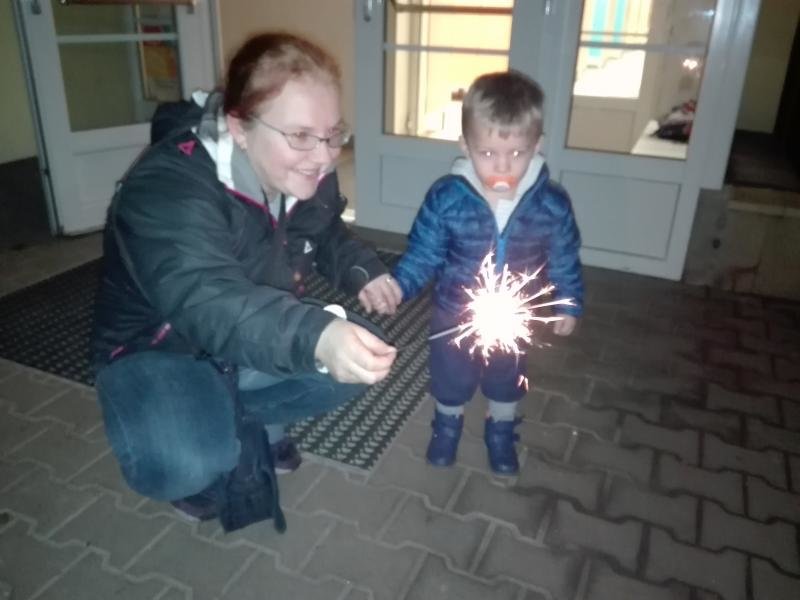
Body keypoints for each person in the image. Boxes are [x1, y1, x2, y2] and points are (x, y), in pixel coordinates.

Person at [91, 32, 402, 521]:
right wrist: (316, 337)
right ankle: (201, 430)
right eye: (300, 135)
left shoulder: (307, 171)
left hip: (248, 332)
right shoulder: (167, 188)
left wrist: (361, 269)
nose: (324, 156)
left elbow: (322, 232)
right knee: (187, 463)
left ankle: (234, 415)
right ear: (239, 127)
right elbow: (207, 299)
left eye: (333, 134)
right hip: (162, 348)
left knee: (361, 357)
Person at [392, 70, 584, 475]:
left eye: (516, 153)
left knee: (507, 374)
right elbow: (424, 252)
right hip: (454, 311)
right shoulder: (447, 197)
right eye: (487, 153)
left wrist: (568, 303)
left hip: (516, 315)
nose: (502, 165)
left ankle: (501, 429)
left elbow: (564, 256)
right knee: (450, 374)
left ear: (537, 145)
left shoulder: (551, 204)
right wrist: (398, 285)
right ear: (465, 145)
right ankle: (447, 425)